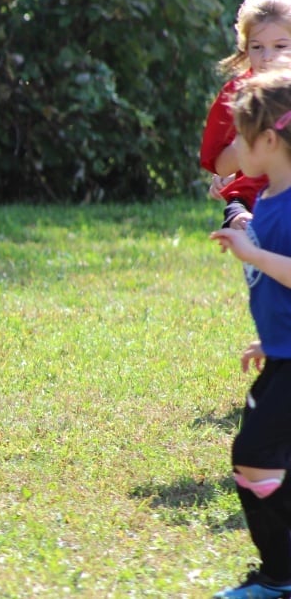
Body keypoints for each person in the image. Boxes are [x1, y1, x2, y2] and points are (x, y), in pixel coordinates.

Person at [210, 68, 291, 599]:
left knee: (255, 456)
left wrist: (253, 252)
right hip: (283, 357)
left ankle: (278, 579)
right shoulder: (269, 199)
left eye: (241, 136)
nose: (234, 146)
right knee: (261, 459)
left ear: (268, 139)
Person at [201, 0, 291, 230]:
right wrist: (249, 141)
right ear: (245, 48)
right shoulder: (238, 94)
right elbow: (220, 164)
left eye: (280, 46)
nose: (268, 57)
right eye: (257, 47)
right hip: (250, 199)